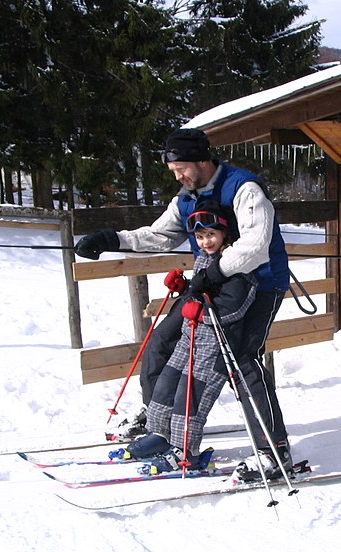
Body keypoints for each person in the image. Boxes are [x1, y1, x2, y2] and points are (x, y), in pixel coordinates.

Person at [75, 128, 292, 479]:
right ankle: (163, 428)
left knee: (240, 358)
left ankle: (274, 450)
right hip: (209, 285)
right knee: (162, 342)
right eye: (173, 170)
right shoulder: (186, 197)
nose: (177, 176)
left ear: (202, 160)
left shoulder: (244, 189)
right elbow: (160, 235)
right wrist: (113, 239)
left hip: (260, 285)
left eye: (181, 168)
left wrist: (217, 271)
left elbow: (255, 244)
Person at [124, 200, 258, 475]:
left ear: (225, 234)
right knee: (166, 384)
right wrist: (185, 288)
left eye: (210, 234)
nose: (205, 241)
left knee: (191, 395)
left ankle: (187, 451)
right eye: (199, 236)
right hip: (191, 337)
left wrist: (201, 311)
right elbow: (201, 292)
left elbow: (235, 306)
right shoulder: (204, 259)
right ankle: (161, 435)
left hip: (216, 344)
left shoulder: (239, 263)